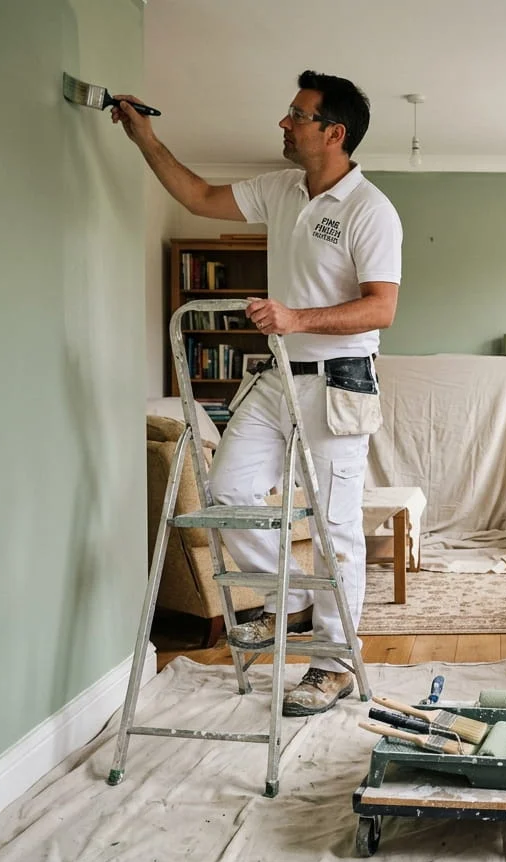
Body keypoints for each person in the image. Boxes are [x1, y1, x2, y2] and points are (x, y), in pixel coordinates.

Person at [114, 72, 402, 716]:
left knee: (334, 526)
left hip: (340, 381)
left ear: (334, 132)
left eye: (297, 115)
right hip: (277, 376)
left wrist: (297, 317)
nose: (283, 123)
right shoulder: (281, 189)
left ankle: (333, 666)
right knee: (228, 493)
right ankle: (289, 598)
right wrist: (145, 139)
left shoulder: (370, 209)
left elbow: (381, 308)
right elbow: (198, 195)